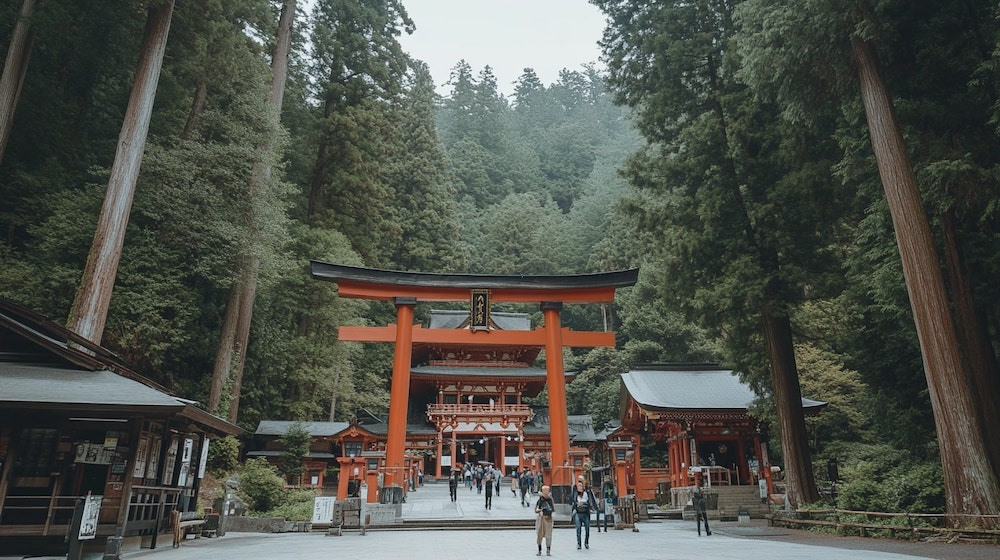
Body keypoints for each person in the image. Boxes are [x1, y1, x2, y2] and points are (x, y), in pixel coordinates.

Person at [571, 475, 599, 549]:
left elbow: (591, 499)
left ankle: (586, 542)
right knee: (578, 529)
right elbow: (573, 500)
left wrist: (594, 507)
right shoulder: (575, 491)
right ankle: (579, 543)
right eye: (579, 482)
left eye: (581, 482)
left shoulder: (587, 492)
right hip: (578, 512)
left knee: (587, 529)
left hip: (586, 513)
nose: (580, 485)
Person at [534, 485, 555, 556]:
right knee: (539, 534)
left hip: (548, 518)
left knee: (548, 535)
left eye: (547, 490)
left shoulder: (550, 499)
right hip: (541, 518)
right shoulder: (540, 499)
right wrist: (539, 510)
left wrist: (549, 510)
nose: (546, 492)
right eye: (544, 491)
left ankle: (548, 550)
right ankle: (539, 550)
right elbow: (536, 509)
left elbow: (553, 509)